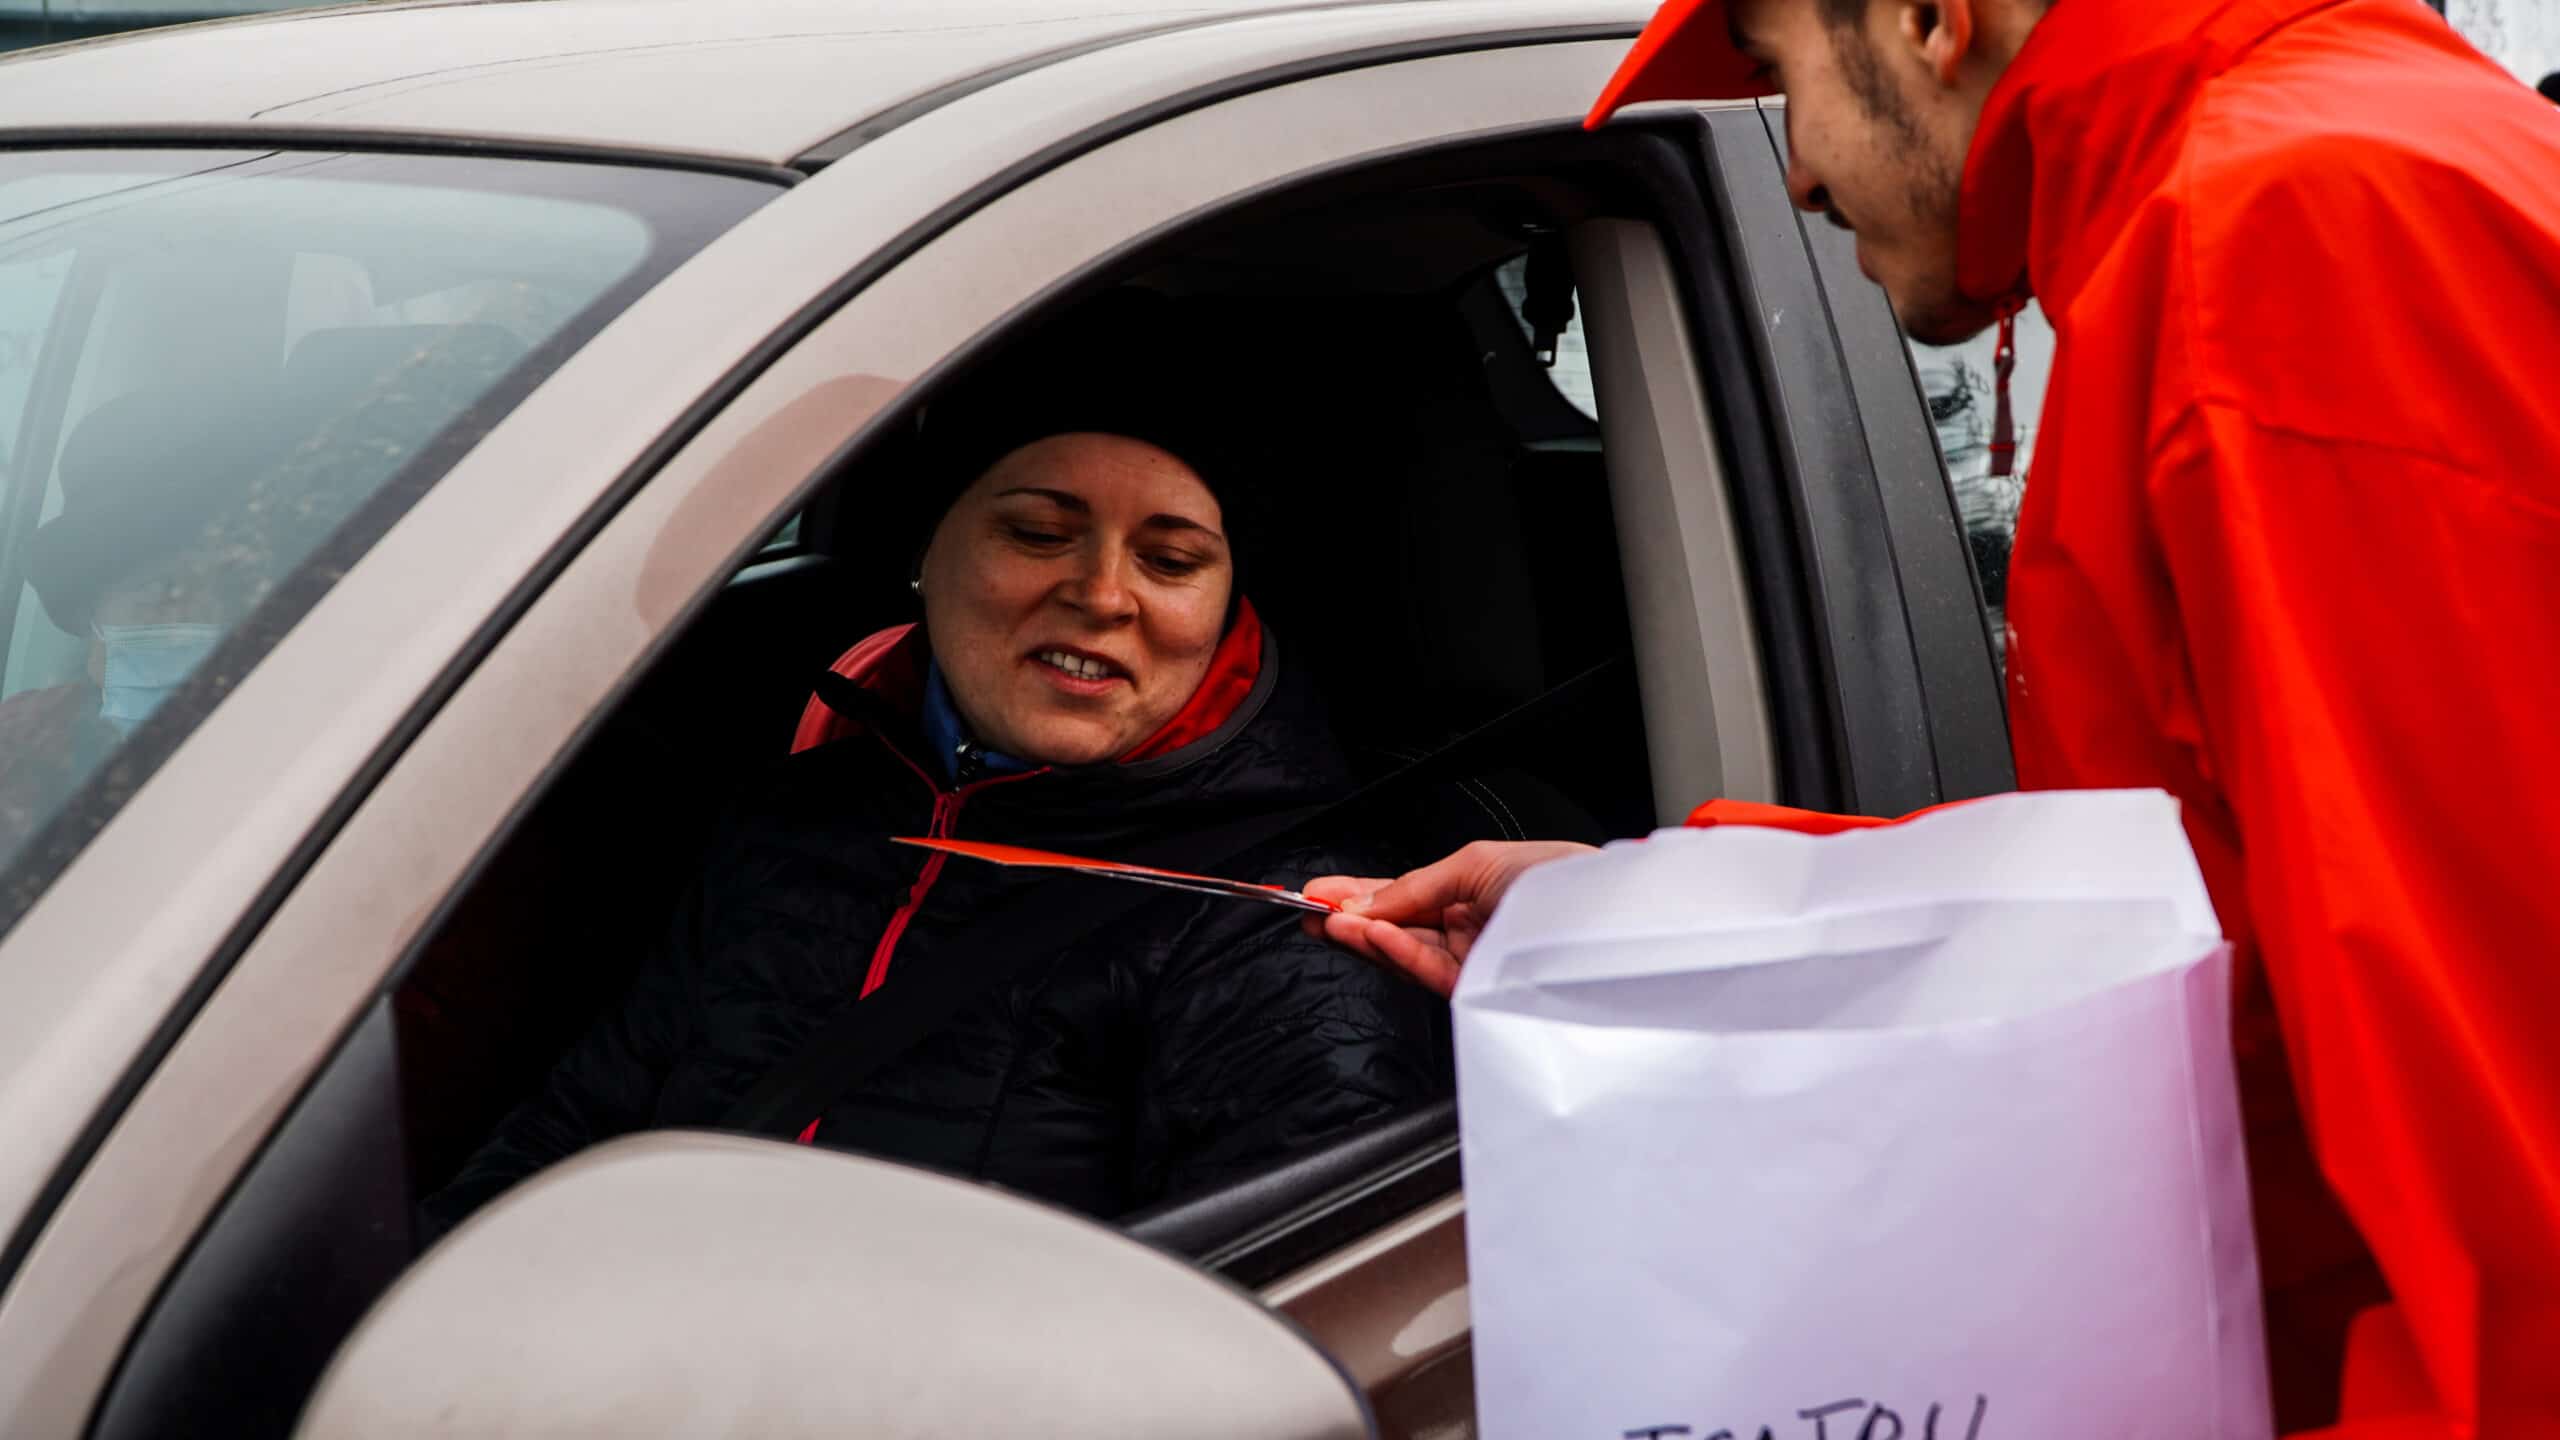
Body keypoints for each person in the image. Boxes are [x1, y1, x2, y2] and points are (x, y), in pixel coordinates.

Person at [1309, 0, 2560, 1434]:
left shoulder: (2298, 236)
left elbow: (2522, 1156)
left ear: (1927, 19)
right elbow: (2229, 900)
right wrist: (1663, 937)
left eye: (1779, 82)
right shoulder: (2291, 186)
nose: (1795, 174)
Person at [422, 349, 1448, 1237]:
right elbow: (582, 1126)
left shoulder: (1291, 923)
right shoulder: (791, 817)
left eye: (1171, 559)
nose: (1100, 593)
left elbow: (1256, 1340)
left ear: (1226, 608)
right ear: (925, 550)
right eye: (1039, 533)